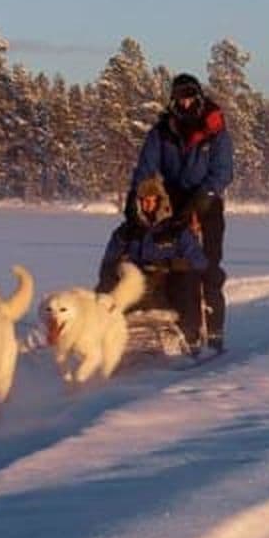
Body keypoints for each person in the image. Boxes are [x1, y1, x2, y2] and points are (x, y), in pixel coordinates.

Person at [126, 73, 233, 353]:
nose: (184, 103)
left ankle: (215, 333)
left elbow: (223, 171)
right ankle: (184, 328)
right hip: (171, 201)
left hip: (206, 201)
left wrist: (202, 200)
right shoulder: (162, 131)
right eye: (179, 98)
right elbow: (145, 169)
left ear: (197, 97)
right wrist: (135, 200)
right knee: (170, 264)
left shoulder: (215, 128)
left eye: (188, 97)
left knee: (207, 266)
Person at [98, 175, 208, 350]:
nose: (147, 205)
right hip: (135, 284)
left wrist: (170, 265)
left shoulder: (176, 230)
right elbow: (108, 262)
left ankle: (190, 337)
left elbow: (199, 262)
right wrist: (117, 270)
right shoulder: (126, 232)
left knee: (188, 279)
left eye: (151, 201)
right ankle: (99, 335)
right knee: (106, 284)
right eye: (143, 201)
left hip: (169, 283)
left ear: (160, 201)